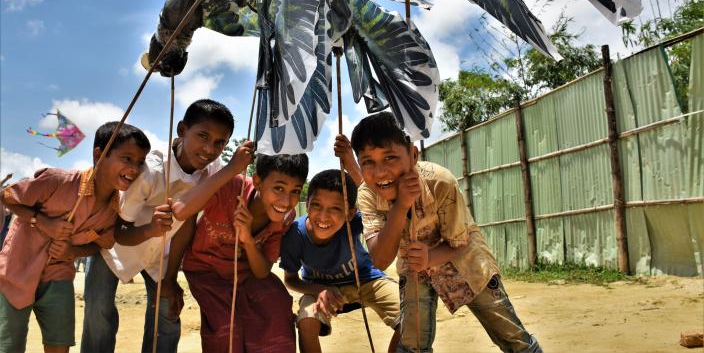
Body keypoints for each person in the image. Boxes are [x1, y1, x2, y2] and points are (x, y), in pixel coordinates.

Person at [351, 112, 542, 353]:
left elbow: (461, 243)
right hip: (415, 267)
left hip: (468, 264)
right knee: (412, 346)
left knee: (514, 340)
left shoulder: (440, 182)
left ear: (413, 155)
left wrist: (430, 258)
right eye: (368, 161)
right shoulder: (367, 194)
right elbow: (379, 258)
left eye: (390, 157)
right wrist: (401, 206)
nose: (380, 172)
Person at [81, 99, 236, 353]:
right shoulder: (150, 170)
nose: (209, 149)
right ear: (182, 130)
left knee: (167, 315)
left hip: (161, 255)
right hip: (115, 247)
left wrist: (171, 277)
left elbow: (186, 225)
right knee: (99, 315)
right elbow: (120, 230)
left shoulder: (213, 170)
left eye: (220, 143)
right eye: (203, 136)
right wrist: (152, 229)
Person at [0, 122, 150, 353]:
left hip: (59, 275)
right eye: (127, 158)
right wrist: (41, 221)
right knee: (9, 345)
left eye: (140, 162)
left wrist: (73, 252)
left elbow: (103, 243)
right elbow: (8, 196)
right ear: (99, 154)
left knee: (60, 343)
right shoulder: (57, 181)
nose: (134, 169)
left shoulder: (114, 211)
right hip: (16, 270)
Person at [174, 152, 307, 353]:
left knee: (277, 306)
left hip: (247, 273)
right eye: (278, 188)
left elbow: (262, 272)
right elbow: (182, 211)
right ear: (258, 181)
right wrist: (168, 280)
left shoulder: (285, 218)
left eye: (295, 191)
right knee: (226, 328)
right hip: (206, 270)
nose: (286, 201)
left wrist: (248, 241)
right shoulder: (229, 187)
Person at [280, 169, 401, 353]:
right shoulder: (294, 235)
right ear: (308, 204)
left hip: (367, 281)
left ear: (350, 213)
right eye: (316, 205)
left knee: (410, 315)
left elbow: (381, 205)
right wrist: (319, 289)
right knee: (306, 321)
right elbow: (290, 280)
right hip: (318, 288)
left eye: (335, 209)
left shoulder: (356, 222)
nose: (323, 216)